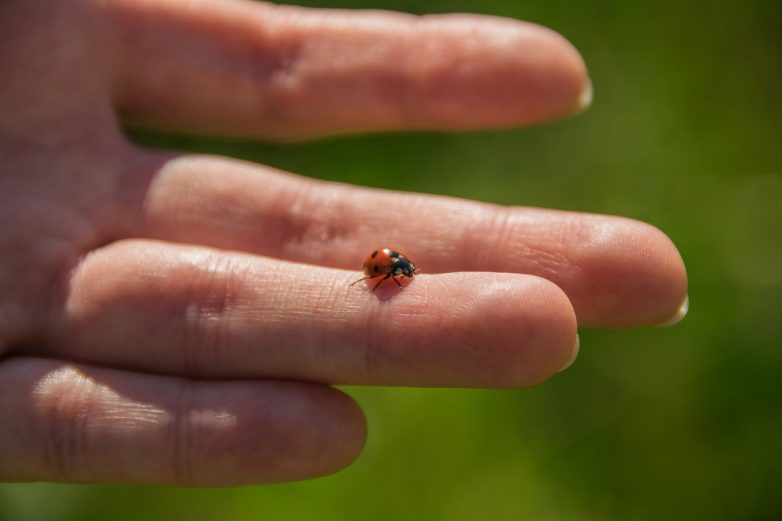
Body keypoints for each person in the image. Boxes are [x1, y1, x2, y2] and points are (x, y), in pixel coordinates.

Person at [0, 0, 687, 486]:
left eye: (395, 270)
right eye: (395, 271)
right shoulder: (388, 270)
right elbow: (383, 275)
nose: (395, 273)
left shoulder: (390, 269)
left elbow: (385, 275)